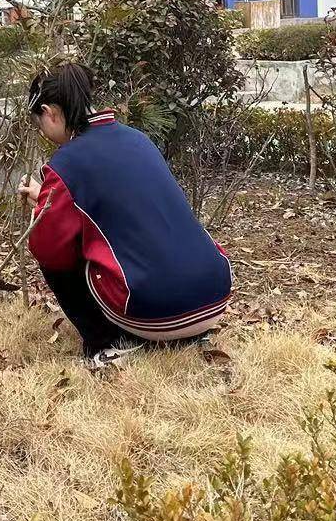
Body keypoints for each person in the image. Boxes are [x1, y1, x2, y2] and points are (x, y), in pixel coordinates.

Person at [19, 62, 233, 370]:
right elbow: (124, 206)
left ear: (49, 112)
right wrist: (48, 197)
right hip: (214, 294)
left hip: (155, 310)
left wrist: (44, 210)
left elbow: (47, 246)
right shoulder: (137, 138)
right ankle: (185, 336)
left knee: (56, 251)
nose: (43, 132)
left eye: (40, 123)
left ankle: (104, 343)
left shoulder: (66, 163)